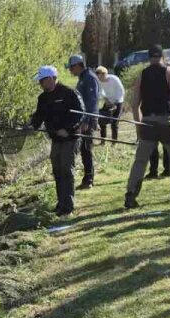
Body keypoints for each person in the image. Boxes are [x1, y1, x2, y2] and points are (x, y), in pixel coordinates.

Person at [124, 45, 170, 209]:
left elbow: (134, 104)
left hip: (147, 122)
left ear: (149, 58)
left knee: (140, 161)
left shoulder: (142, 74)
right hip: (167, 121)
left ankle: (131, 195)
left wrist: (139, 126)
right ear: (163, 57)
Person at [29, 65, 86, 217]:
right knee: (57, 171)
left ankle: (68, 207)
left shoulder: (69, 93)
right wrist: (32, 125)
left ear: (50, 79)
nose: (40, 84)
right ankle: (61, 204)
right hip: (55, 139)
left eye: (42, 81)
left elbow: (80, 114)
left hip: (71, 138)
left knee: (67, 170)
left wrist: (67, 129)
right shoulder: (42, 98)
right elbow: (39, 116)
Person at [67, 54, 100, 187]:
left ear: (77, 65)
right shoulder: (83, 78)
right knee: (84, 149)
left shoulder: (89, 78)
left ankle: (89, 179)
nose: (70, 70)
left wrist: (86, 120)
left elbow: (92, 101)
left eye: (71, 67)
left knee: (86, 148)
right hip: (83, 118)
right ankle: (87, 177)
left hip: (88, 119)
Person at [95, 65, 125, 141]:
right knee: (102, 120)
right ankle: (103, 140)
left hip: (118, 101)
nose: (99, 79)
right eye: (98, 77)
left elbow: (121, 91)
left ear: (104, 74)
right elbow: (100, 91)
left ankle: (114, 141)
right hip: (108, 101)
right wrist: (106, 99)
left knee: (114, 122)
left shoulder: (114, 79)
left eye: (100, 77)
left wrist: (115, 103)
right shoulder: (98, 80)